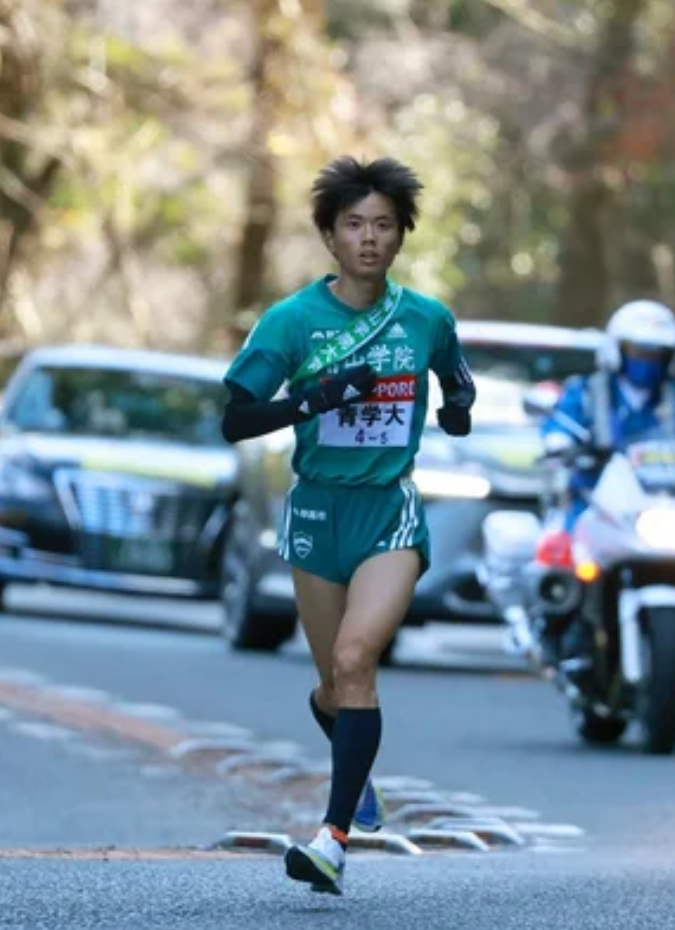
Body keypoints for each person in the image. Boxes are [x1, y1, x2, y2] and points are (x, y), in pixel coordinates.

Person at [219, 156, 475, 895]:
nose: (369, 238)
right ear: (330, 236)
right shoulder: (292, 321)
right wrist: (315, 399)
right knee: (336, 685)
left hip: (388, 510)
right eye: (354, 224)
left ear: (401, 236)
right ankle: (352, 765)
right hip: (316, 512)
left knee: (359, 659)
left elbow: (456, 379)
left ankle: (332, 841)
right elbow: (236, 418)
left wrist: (456, 410)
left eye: (383, 225)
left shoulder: (425, 318)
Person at [538, 299, 675, 673]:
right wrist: (559, 444)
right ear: (617, 351)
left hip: (658, 503)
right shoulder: (588, 392)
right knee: (568, 556)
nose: (648, 361)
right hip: (595, 499)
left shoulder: (671, 395)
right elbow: (559, 426)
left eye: (657, 353)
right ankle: (566, 636)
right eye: (640, 351)